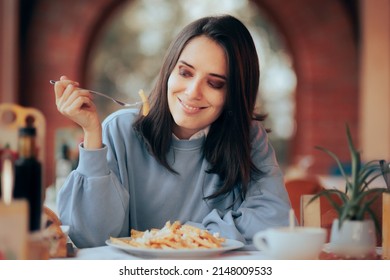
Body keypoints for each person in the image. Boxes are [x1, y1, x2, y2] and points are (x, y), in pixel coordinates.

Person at [53, 14, 292, 248]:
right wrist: (92, 135)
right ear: (168, 71)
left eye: (215, 83)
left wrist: (186, 238)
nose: (192, 92)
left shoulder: (249, 137)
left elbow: (275, 222)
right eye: (185, 72)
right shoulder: (118, 130)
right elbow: (91, 237)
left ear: (234, 94)